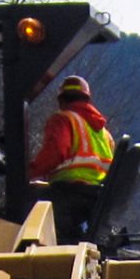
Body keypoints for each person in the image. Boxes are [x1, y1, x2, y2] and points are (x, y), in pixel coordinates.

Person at [27, 75, 115, 244]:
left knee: (23, 206)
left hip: (70, 194)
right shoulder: (103, 133)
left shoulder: (63, 119)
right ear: (87, 99)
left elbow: (56, 152)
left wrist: (28, 172)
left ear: (61, 100)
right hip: (95, 197)